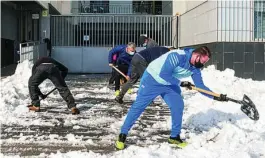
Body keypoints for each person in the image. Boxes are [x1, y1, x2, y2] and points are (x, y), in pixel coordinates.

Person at [114, 46, 228, 150]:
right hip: (152, 79)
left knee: (178, 105)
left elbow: (200, 86)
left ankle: (174, 137)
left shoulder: (195, 68)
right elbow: (164, 74)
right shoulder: (178, 56)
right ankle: (122, 135)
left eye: (205, 63)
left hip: (170, 84)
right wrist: (181, 83)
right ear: (196, 56)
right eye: (202, 61)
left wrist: (215, 96)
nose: (202, 65)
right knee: (138, 107)